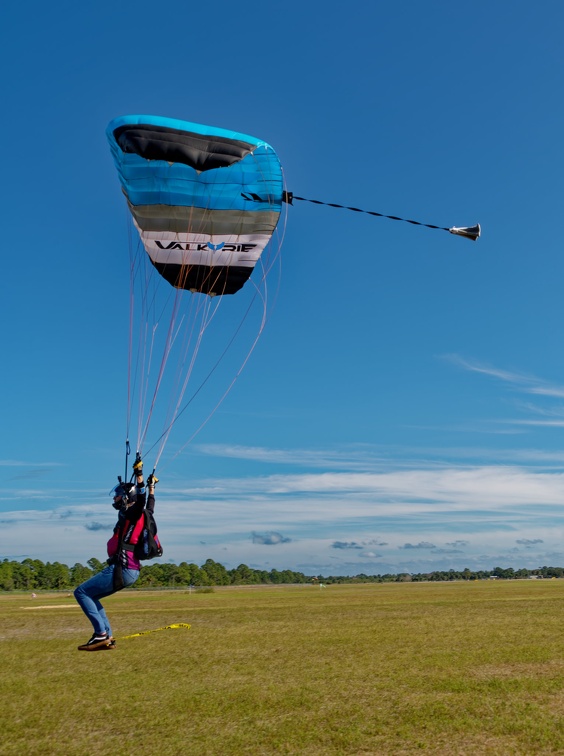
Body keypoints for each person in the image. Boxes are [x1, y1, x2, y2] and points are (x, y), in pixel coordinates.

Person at [74, 455, 158, 651]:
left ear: (127, 497)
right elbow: (150, 504)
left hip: (123, 568)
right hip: (131, 570)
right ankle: (107, 637)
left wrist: (139, 476)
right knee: (92, 596)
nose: (114, 498)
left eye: (118, 495)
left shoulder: (134, 513)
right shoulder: (142, 515)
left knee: (81, 592)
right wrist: (152, 486)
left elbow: (142, 500)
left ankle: (100, 634)